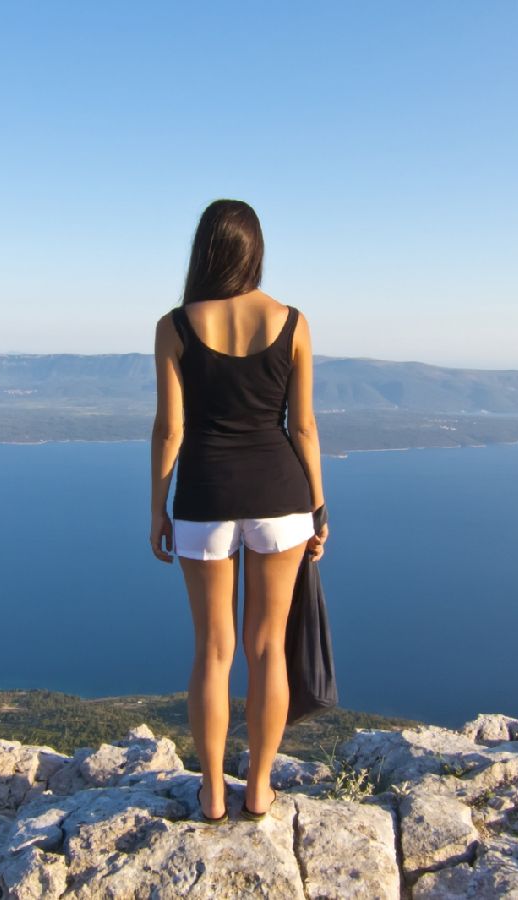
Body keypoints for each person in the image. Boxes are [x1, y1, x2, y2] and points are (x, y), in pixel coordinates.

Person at [149, 199, 329, 824]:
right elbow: (302, 426)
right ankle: (259, 790)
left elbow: (169, 431)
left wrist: (157, 511)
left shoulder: (174, 326)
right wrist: (319, 507)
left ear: (206, 249)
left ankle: (212, 795)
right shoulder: (293, 322)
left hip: (203, 496)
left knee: (213, 651)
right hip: (282, 498)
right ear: (254, 250)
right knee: (268, 648)